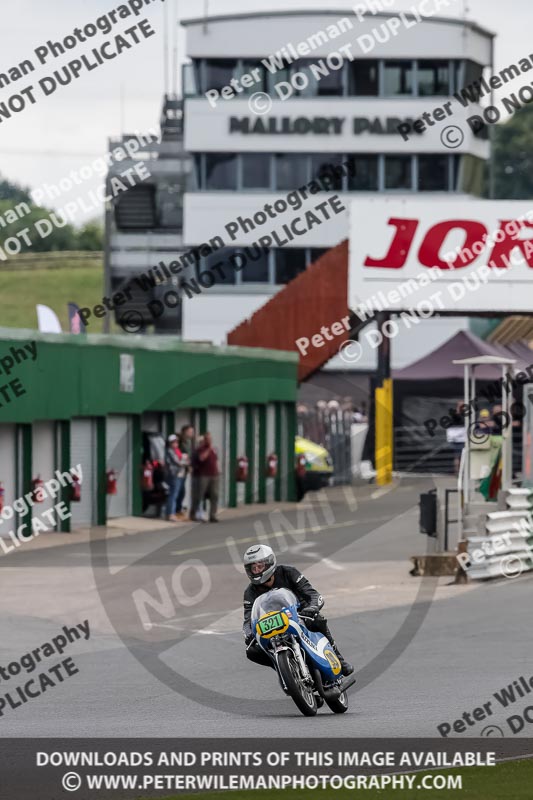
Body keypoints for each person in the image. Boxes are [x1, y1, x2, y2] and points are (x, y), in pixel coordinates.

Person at [242, 544, 354, 677]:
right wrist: (248, 633)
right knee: (252, 651)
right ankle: (284, 669)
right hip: (273, 626)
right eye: (253, 568)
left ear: (269, 563)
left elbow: (313, 594)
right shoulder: (250, 592)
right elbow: (248, 619)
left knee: (318, 620)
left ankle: (338, 658)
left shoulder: (288, 572)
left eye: (259, 566)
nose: (256, 570)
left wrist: (312, 608)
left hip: (300, 615)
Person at [190, 432, 219, 522]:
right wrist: (208, 449)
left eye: (210, 439)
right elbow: (201, 458)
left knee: (214, 495)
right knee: (199, 495)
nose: (209, 441)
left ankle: (213, 515)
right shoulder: (200, 449)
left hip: (213, 475)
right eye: (207, 439)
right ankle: (194, 514)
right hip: (203, 475)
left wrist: (218, 470)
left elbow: (215, 460)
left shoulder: (214, 449)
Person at [164, 434, 186, 522]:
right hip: (174, 474)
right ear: (170, 443)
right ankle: (171, 514)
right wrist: (185, 461)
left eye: (177, 442)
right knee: (173, 494)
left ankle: (171, 513)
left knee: (175, 494)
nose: (176, 443)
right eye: (174, 442)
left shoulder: (176, 450)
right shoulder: (169, 451)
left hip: (179, 474)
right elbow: (178, 462)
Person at [176, 424, 195, 516]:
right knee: (179, 491)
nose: (192, 434)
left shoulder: (188, 442)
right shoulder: (181, 443)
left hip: (185, 470)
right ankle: (177, 510)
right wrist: (188, 466)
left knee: (182, 490)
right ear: (185, 432)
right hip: (180, 470)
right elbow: (182, 456)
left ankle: (179, 509)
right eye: (190, 432)